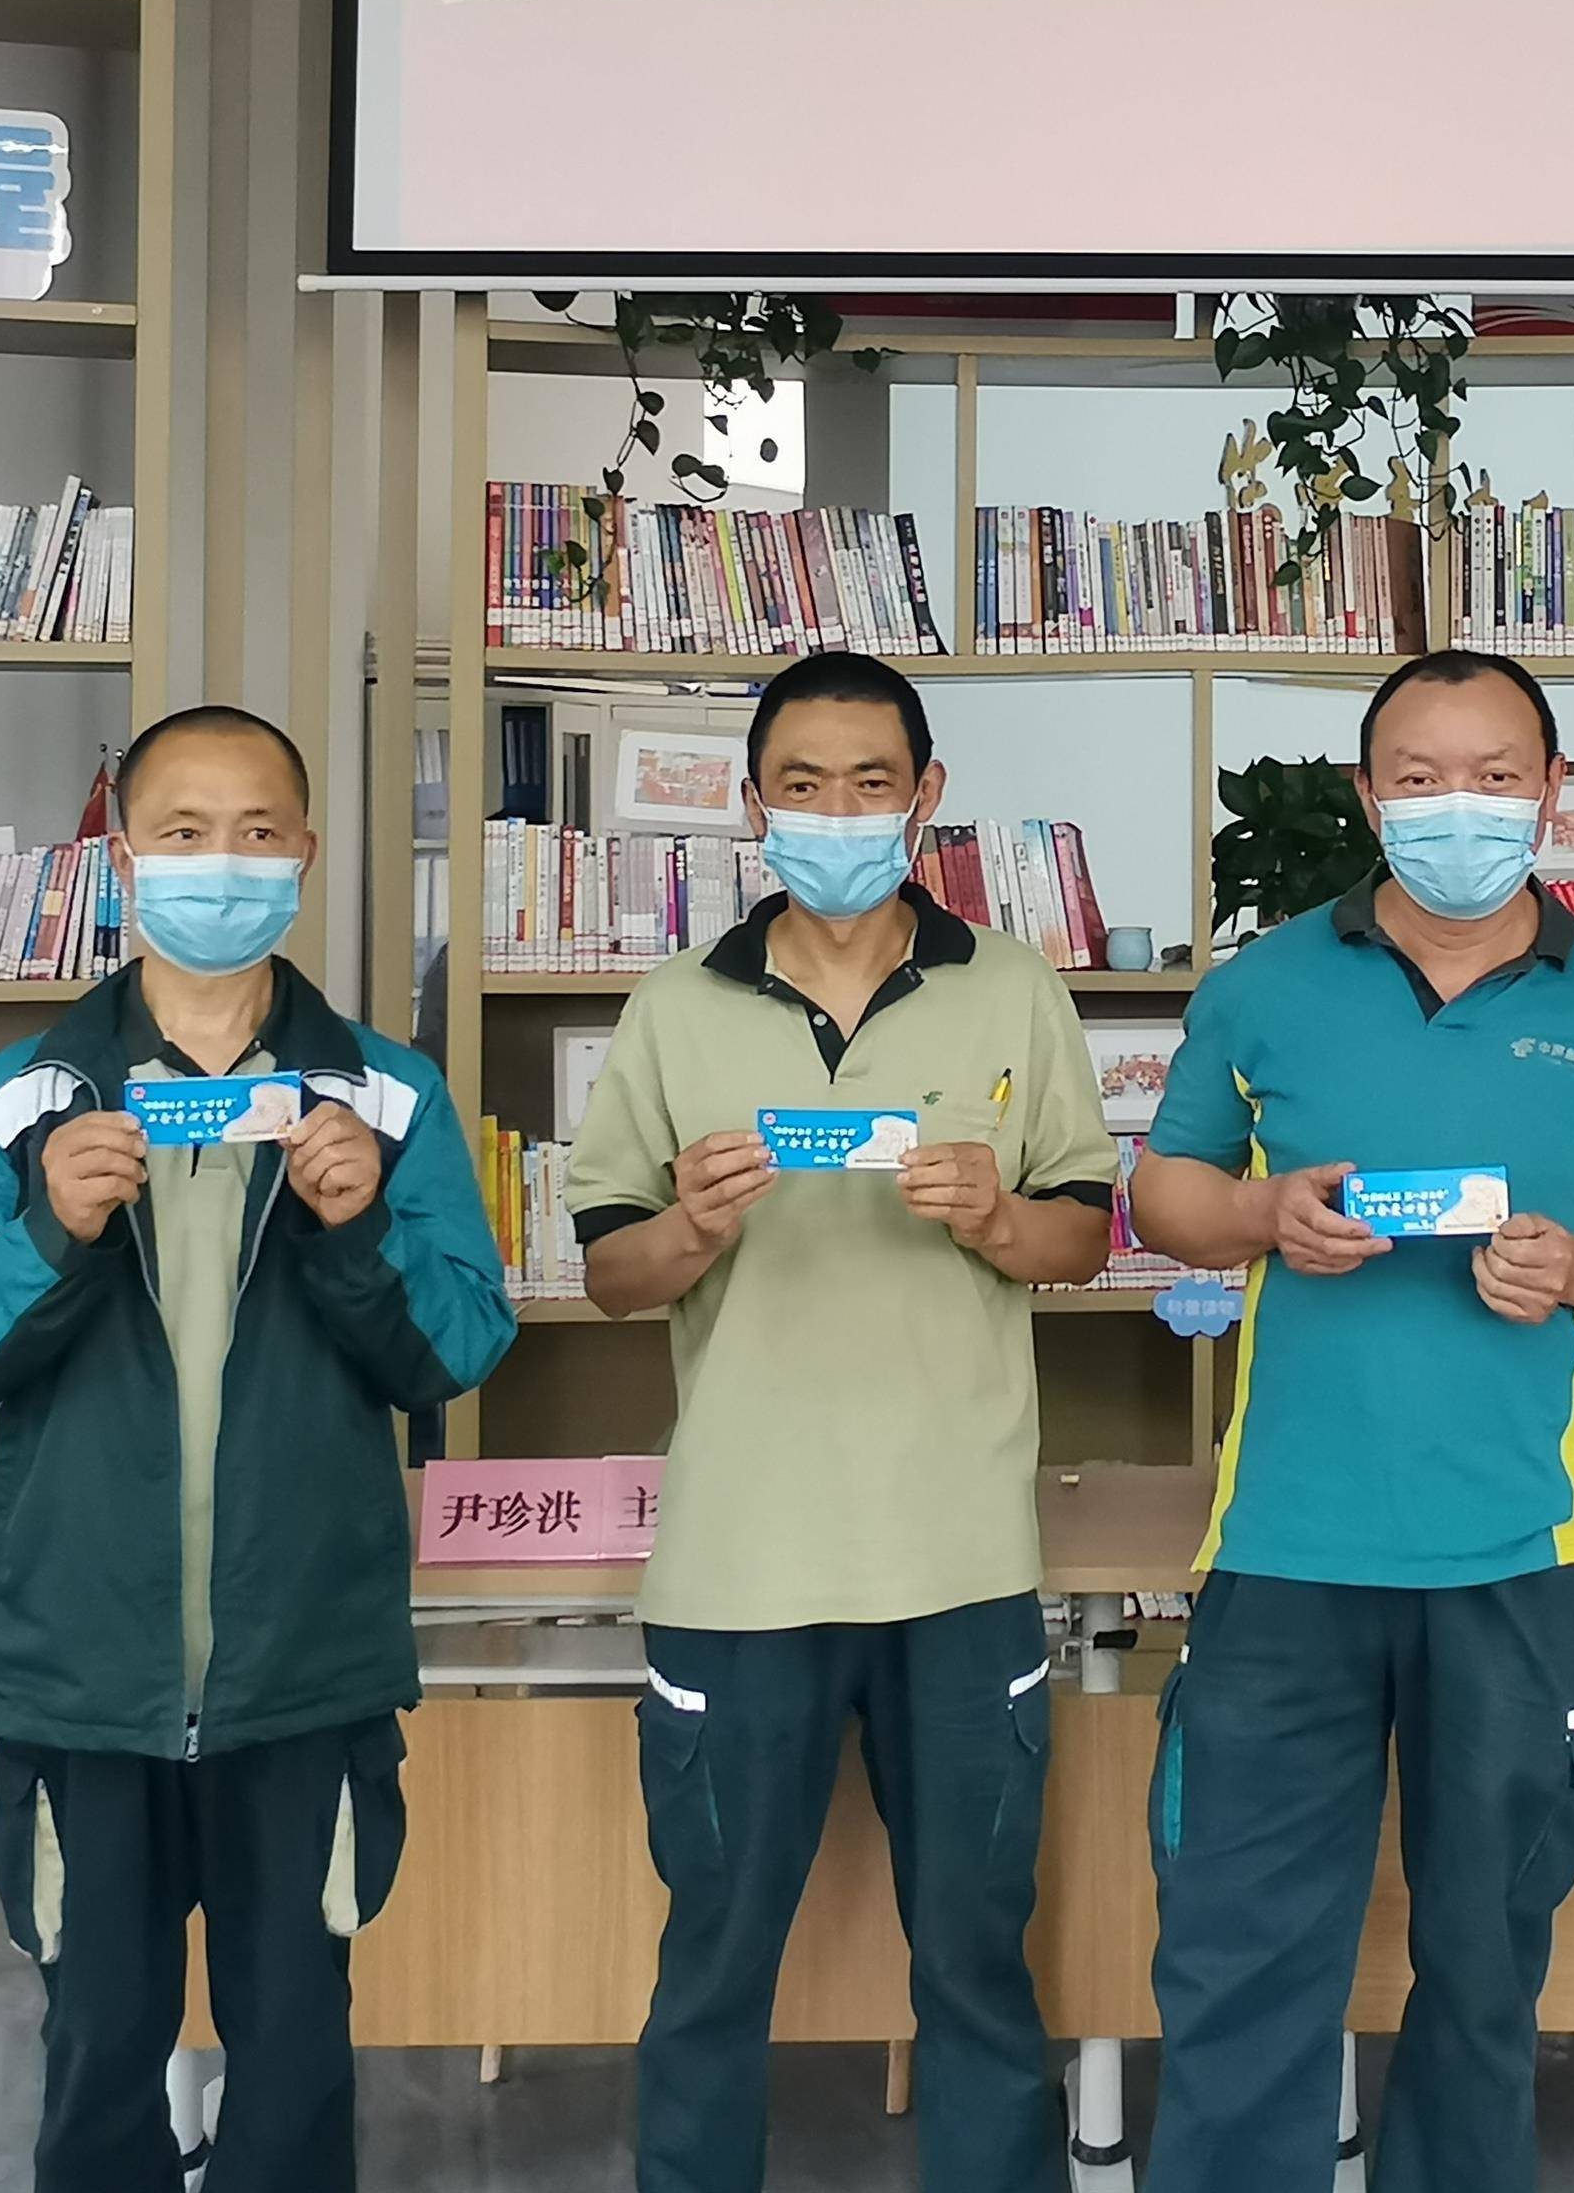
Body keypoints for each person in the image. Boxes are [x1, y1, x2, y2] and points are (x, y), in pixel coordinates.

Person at [1125, 649, 1574, 2193]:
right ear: (1368, 794)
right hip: (1286, 1556)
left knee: (1483, 1980)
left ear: (1549, 791)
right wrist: (1266, 1213)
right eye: (1418, 778)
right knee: (1239, 1967)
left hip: (1528, 1560)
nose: (1455, 807)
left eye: (1493, 776)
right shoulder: (1264, 988)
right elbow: (1167, 1192)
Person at [0, 702, 516, 2193]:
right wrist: (51, 1227)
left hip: (306, 1672)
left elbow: (460, 1349)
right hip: (85, 1680)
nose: (219, 865)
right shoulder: (21, 1099)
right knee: (99, 2052)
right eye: (181, 833)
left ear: (305, 855)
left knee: (296, 2057)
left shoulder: (388, 1095)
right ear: (124, 859)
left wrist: (361, 1230)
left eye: (254, 834)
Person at [563, 650, 1120, 2193]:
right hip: (741, 1568)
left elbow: (1083, 1239)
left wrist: (998, 1217)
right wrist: (691, 1226)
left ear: (926, 796)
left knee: (978, 1963)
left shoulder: (1012, 988)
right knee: (712, 1966)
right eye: (802, 786)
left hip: (961, 1561)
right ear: (753, 805)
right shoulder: (676, 1006)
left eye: (871, 784)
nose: (837, 813)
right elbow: (609, 1274)